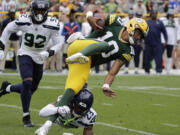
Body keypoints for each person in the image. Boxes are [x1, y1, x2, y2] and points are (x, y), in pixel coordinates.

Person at [43, 6, 149, 131]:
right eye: (139, 33)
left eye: (141, 36)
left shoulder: (128, 51)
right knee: (105, 45)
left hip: (84, 63)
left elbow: (112, 72)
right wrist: (89, 16)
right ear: (132, 27)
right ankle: (80, 44)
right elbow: (93, 7)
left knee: (74, 92)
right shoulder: (116, 21)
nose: (138, 38)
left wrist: (106, 86)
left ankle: (46, 125)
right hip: (80, 47)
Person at [0, 0, 63, 127]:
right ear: (32, 11)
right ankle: (26, 116)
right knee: (27, 83)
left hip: (40, 56)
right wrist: (1, 47)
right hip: (25, 53)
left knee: (31, 88)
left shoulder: (52, 23)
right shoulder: (23, 19)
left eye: (42, 11)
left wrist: (50, 52)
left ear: (46, 12)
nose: (39, 13)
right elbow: (7, 29)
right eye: (37, 10)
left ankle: (7, 88)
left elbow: (59, 42)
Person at [144, 10, 168, 74]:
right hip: (148, 43)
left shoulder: (160, 22)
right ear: (150, 14)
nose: (154, 15)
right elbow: (142, 32)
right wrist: (141, 41)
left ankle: (159, 70)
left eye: (155, 13)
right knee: (147, 58)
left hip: (157, 43)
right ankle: (147, 70)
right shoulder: (146, 22)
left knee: (158, 57)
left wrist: (166, 40)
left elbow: (164, 32)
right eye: (153, 13)